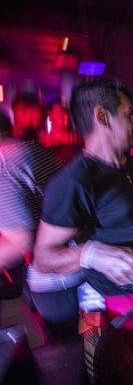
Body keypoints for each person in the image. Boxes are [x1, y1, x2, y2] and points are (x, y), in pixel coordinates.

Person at [32, 79, 133, 381]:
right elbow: (44, 257)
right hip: (122, 307)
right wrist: (90, 254)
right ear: (102, 116)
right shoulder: (74, 181)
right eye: (128, 113)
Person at [0, 109, 60, 346]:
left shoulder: (3, 162)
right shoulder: (33, 149)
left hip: (54, 270)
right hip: (69, 257)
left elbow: (19, 241)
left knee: (57, 354)